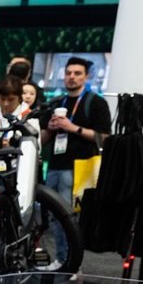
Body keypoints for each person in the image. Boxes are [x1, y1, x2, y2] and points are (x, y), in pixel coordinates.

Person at [41, 56, 111, 207]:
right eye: (68, 73)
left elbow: (105, 137)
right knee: (51, 214)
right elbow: (41, 140)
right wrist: (50, 128)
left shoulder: (96, 102)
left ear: (87, 76)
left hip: (81, 167)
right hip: (54, 166)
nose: (71, 77)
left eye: (77, 73)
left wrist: (73, 128)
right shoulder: (56, 103)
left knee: (73, 216)